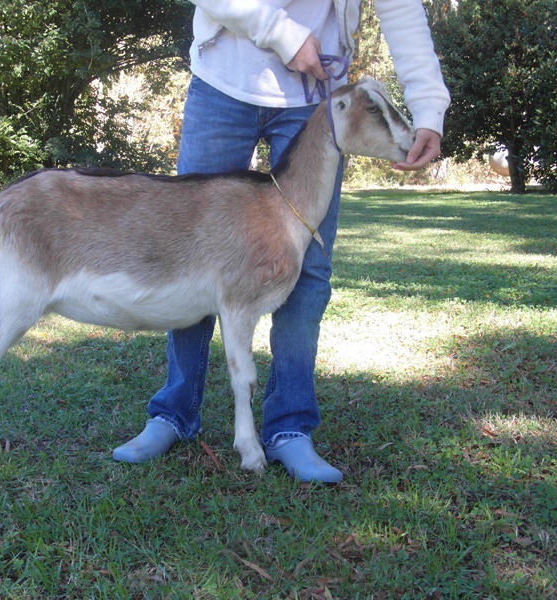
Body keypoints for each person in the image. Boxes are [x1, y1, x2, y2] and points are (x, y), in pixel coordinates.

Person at [113, 0, 450, 483]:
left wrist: (429, 109)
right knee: (193, 256)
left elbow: (402, 10)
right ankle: (175, 413)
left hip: (317, 99)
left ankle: (289, 427)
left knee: (308, 267)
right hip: (224, 82)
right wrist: (282, 34)